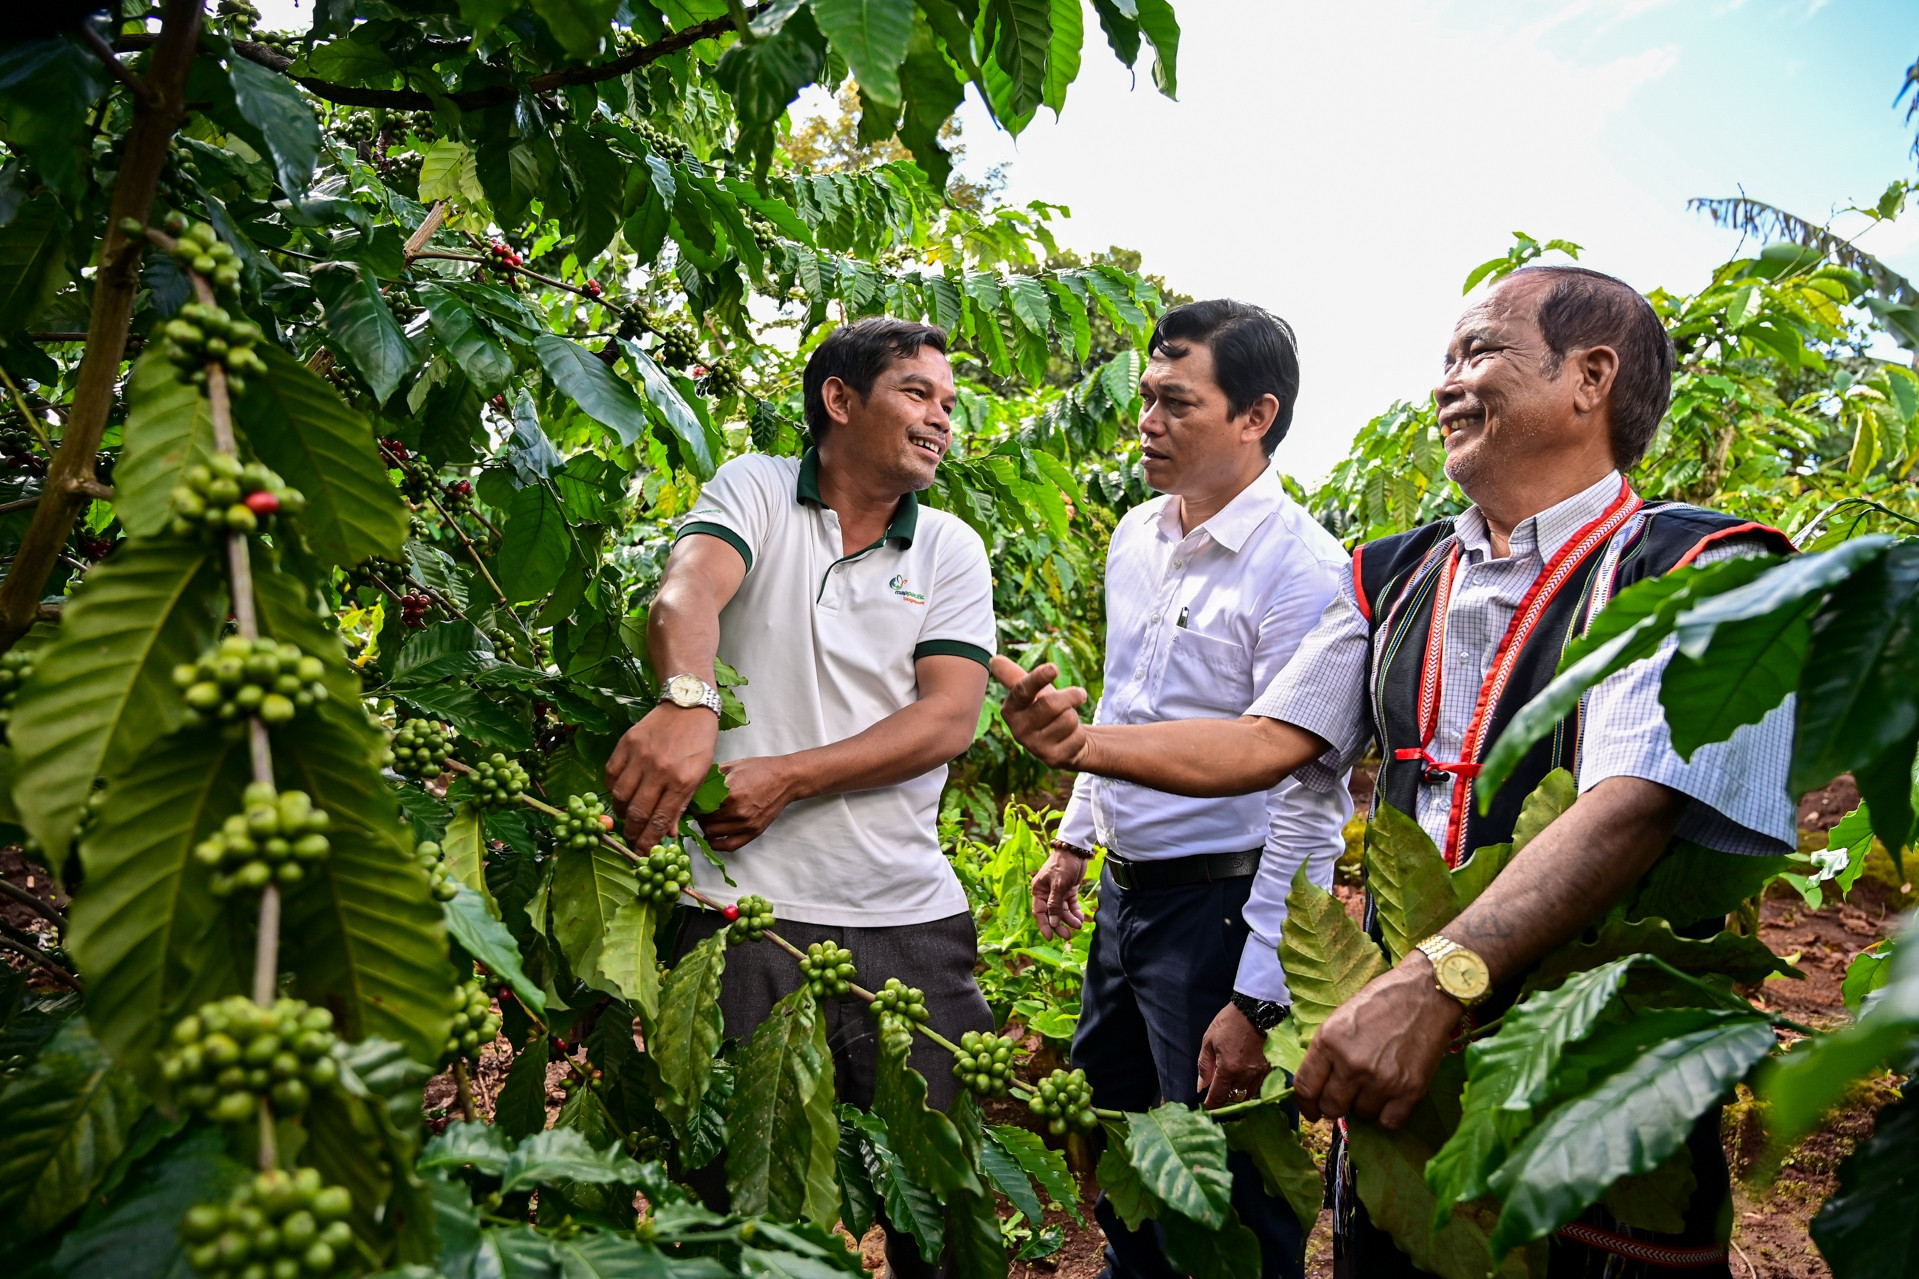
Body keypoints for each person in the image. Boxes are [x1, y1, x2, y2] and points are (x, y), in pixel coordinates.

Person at [990, 266, 1796, 1278]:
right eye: (1444, 360)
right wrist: (1083, 751)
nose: (1446, 383)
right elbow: (1263, 743)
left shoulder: (1698, 570)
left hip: (1588, 1081)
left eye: (1479, 352)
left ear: (1588, 378)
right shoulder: (1392, 575)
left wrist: (1434, 982)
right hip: (1401, 1087)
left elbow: (1629, 806)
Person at [605, 316, 998, 1279]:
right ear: (838, 399)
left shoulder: (949, 548)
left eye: (949, 403)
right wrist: (687, 698)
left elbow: (948, 719)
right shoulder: (756, 490)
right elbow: (687, 591)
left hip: (906, 917)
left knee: (941, 1209)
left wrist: (785, 774)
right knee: (738, 1212)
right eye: (917, 392)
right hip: (737, 919)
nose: (940, 419)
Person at [1030, 299, 1347, 1279]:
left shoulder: (1304, 569)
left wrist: (1255, 996)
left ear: (1253, 415)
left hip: (1218, 911)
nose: (1146, 423)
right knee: (1125, 1147)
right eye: (1143, 399)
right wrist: (1076, 837)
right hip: (1128, 900)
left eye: (1175, 402)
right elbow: (1124, 701)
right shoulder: (1136, 534)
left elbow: (1305, 794)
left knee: (1225, 1192)